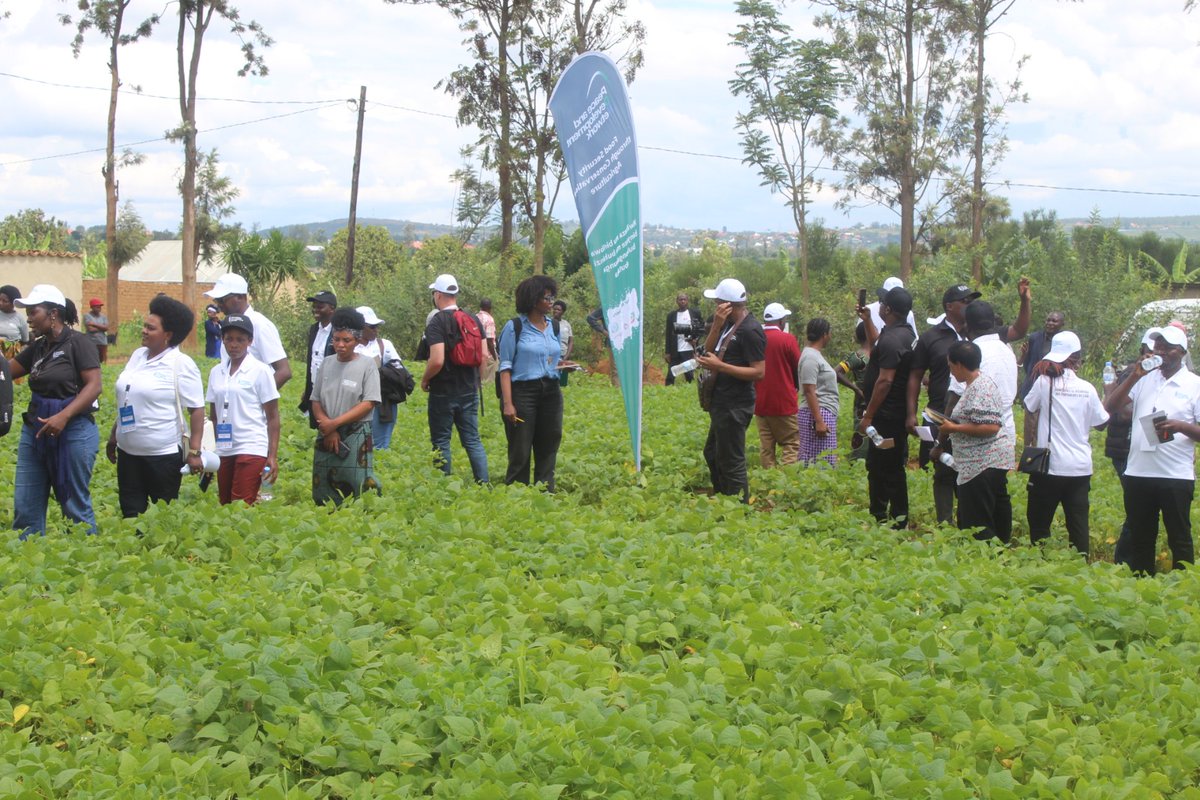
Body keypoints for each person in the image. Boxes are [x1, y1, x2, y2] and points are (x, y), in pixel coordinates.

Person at [1103, 325, 1200, 574]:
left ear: (1181, 351)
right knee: (1141, 537)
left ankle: (1183, 589)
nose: (1160, 351)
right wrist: (1134, 376)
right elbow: (1111, 406)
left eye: (1166, 347)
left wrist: (1180, 426)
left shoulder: (1194, 384)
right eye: (1157, 346)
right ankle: (1142, 587)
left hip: (1175, 475)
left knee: (1179, 537)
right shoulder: (1143, 378)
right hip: (1138, 472)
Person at [8, 285, 102, 537]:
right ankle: (27, 562)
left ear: (53, 314)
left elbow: (94, 386)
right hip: (35, 432)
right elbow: (6, 372)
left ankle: (87, 561)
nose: (28, 317)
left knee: (74, 504)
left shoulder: (78, 343)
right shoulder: (39, 347)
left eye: (33, 311)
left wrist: (64, 416)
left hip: (73, 430)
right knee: (26, 504)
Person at [106, 296, 206, 519]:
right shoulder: (137, 356)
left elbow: (197, 410)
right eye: (144, 325)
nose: (143, 331)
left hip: (162, 457)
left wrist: (194, 451)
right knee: (131, 514)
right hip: (128, 454)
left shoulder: (180, 364)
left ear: (168, 335)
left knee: (163, 517)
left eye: (150, 328)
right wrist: (115, 435)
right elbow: (128, 399)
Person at [1022, 331, 1109, 555]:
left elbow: (1029, 408)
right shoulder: (1088, 388)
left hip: (1048, 467)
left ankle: (1040, 564)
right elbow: (1101, 423)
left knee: (1039, 523)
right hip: (1080, 468)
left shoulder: (1043, 382)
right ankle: (1080, 566)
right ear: (1077, 360)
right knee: (1078, 525)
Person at [906, 284, 981, 524]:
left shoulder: (978, 334)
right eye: (965, 301)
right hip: (941, 414)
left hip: (973, 416)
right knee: (944, 469)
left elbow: (1016, 331)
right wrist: (911, 412)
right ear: (950, 306)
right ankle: (945, 523)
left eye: (971, 301)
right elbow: (915, 376)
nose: (969, 305)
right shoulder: (931, 337)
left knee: (971, 471)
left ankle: (967, 521)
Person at [499, 276, 577, 489]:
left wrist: (562, 365)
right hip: (523, 393)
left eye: (553, 296)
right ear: (533, 300)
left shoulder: (554, 326)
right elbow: (505, 367)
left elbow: (549, 358)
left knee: (549, 443)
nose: (552, 301)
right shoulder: (514, 327)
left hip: (551, 391)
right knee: (520, 448)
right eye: (547, 297)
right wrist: (508, 403)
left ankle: (545, 493)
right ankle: (518, 496)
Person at [695, 278, 766, 501]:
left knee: (732, 460)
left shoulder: (751, 330)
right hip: (721, 403)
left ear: (727, 304)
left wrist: (721, 366)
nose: (715, 305)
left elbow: (759, 372)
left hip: (736, 404)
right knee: (712, 453)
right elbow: (706, 353)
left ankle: (738, 508)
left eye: (717, 301)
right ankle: (724, 498)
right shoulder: (725, 324)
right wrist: (716, 325)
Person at [936, 340, 1013, 543]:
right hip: (981, 462)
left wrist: (954, 428)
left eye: (951, 367)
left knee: (978, 522)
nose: (951, 372)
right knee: (991, 513)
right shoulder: (974, 386)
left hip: (983, 463)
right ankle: (999, 556)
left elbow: (991, 427)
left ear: (960, 364)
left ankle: (986, 560)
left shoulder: (982, 387)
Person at [205, 314, 280, 506]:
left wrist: (272, 455)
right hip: (224, 447)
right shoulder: (216, 372)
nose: (234, 345)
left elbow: (272, 417)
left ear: (250, 341)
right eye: (229, 339)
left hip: (251, 444)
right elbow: (213, 416)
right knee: (224, 503)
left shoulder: (261, 370)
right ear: (223, 340)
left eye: (240, 340)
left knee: (241, 504)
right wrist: (210, 451)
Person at [421, 273, 489, 482]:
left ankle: (443, 486)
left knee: (441, 441)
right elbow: (484, 355)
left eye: (434, 293)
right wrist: (477, 380)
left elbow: (437, 360)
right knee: (473, 440)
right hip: (469, 389)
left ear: (439, 295)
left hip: (443, 391)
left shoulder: (437, 321)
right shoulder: (473, 319)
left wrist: (425, 379)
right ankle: (483, 483)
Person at [857, 286, 916, 528]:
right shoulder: (904, 333)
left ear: (888, 309)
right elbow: (878, 346)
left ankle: (886, 518)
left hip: (885, 417)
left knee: (883, 468)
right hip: (895, 414)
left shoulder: (892, 339)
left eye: (881, 304)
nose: (878, 306)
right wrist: (868, 320)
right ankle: (893, 516)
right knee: (889, 466)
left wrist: (868, 416)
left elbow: (885, 381)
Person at [310, 308, 381, 505]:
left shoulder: (367, 365)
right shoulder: (327, 363)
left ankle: (364, 518)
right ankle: (329, 519)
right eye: (336, 339)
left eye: (346, 340)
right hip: (326, 431)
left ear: (357, 340)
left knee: (359, 482)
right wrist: (328, 427)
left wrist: (335, 424)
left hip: (356, 431)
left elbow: (369, 403)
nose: (340, 345)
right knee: (322, 483)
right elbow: (315, 400)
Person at [204, 273, 292, 389]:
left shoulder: (259, 325)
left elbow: (284, 371)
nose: (219, 304)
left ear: (240, 297)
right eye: (217, 300)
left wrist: (257, 400)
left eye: (223, 299)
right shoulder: (227, 324)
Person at [754, 302, 800, 468]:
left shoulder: (756, 338)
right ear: (781, 321)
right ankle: (787, 481)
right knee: (791, 442)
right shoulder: (787, 339)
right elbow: (798, 367)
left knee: (766, 447)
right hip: (783, 401)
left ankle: (769, 480)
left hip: (760, 401)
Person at [354, 305, 404, 450]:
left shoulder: (384, 345)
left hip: (381, 400)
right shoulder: (350, 345)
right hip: (356, 400)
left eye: (376, 326)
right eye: (371, 326)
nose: (376, 330)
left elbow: (399, 369)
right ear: (360, 327)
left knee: (380, 445)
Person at [798, 317, 840, 466]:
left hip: (821, 412)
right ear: (824, 334)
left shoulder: (814, 355)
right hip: (816, 414)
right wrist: (819, 421)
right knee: (818, 461)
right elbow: (809, 390)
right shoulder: (810, 357)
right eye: (829, 333)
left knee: (823, 458)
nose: (830, 337)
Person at [299, 290, 337, 429]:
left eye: (320, 306)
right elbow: (313, 362)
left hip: (332, 390)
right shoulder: (314, 329)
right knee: (319, 426)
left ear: (332, 309)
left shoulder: (338, 332)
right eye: (314, 306)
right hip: (315, 388)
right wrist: (309, 389)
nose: (315, 309)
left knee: (331, 425)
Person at [836, 321, 870, 461]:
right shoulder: (857, 357)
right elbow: (836, 372)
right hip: (862, 401)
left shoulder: (879, 352)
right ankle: (857, 461)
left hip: (877, 398)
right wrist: (855, 388)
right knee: (861, 430)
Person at [1019, 310, 1065, 398]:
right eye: (1048, 320)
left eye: (1054, 321)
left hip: (1054, 389)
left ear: (1062, 324)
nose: (1050, 323)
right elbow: (1028, 363)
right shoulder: (1034, 338)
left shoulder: (1064, 341)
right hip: (1032, 386)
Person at [664, 293, 705, 385]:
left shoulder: (694, 313)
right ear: (677, 301)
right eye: (680, 299)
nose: (682, 301)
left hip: (688, 349)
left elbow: (701, 329)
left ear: (687, 301)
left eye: (684, 299)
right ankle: (668, 390)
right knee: (671, 374)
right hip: (675, 349)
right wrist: (667, 352)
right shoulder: (671, 316)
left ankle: (689, 389)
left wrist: (696, 339)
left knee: (689, 374)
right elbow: (668, 334)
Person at [0, 285, 30, 360]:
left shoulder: (20, 319)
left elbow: (25, 341)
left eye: (5, 301)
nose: (0, 303)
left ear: (13, 303)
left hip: (10, 357)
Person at [552, 300, 574, 387]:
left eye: (559, 310)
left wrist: (566, 356)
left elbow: (571, 341)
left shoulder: (566, 324)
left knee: (562, 381)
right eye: (555, 309)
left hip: (563, 355)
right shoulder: (548, 322)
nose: (556, 311)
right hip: (551, 356)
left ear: (563, 312)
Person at [477, 298, 499, 385]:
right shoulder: (489, 320)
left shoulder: (475, 317)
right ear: (490, 308)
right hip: (488, 354)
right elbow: (489, 340)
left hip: (477, 352)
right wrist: (495, 356)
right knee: (490, 381)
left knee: (481, 379)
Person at [84, 298, 109, 363]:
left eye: (100, 307)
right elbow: (90, 329)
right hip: (91, 341)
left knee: (102, 359)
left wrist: (93, 324)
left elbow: (106, 328)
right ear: (92, 307)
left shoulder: (103, 316)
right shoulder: (87, 316)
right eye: (97, 307)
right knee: (92, 359)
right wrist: (101, 328)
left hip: (102, 341)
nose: (99, 308)